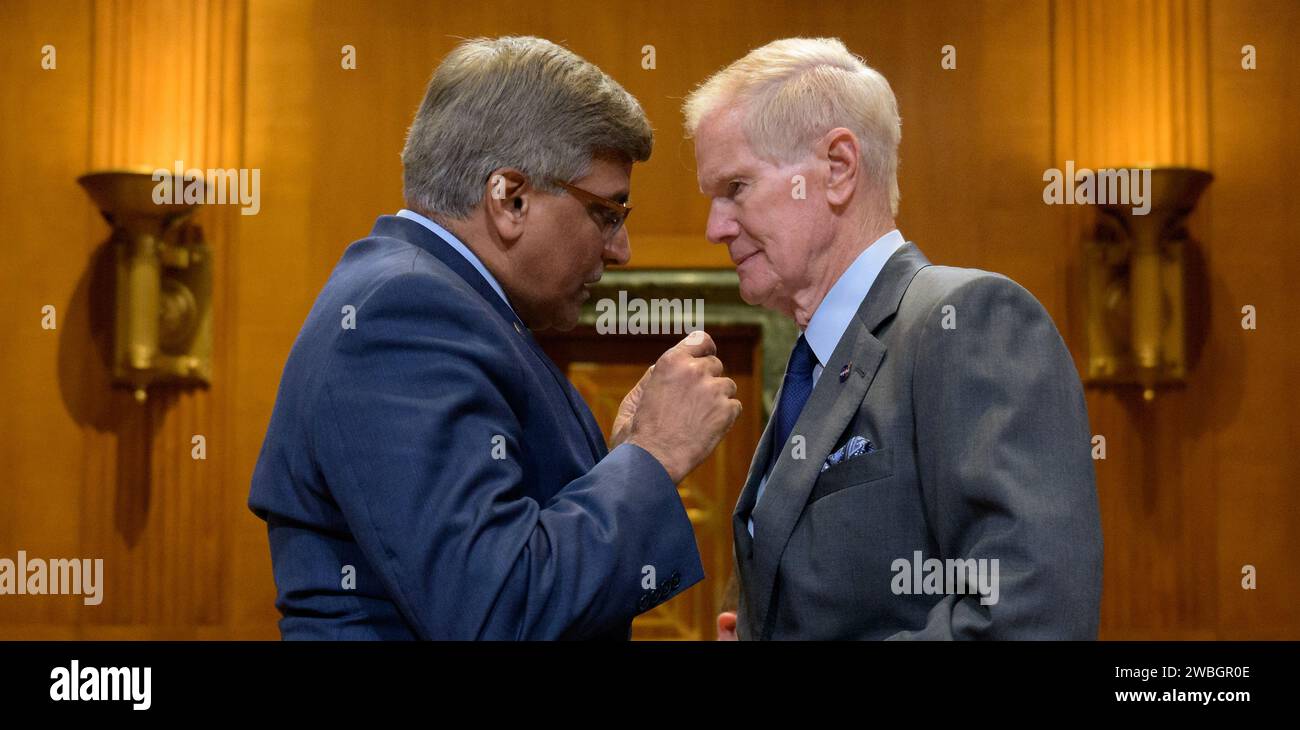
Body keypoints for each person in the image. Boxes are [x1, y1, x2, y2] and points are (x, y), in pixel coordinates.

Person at [249, 36, 741, 640]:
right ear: (510, 198)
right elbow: (494, 608)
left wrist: (619, 462)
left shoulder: (448, 304)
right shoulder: (403, 317)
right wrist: (655, 458)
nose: (620, 250)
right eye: (606, 213)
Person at [685, 37, 1102, 640]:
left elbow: (1029, 615)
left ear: (837, 168)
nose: (714, 227)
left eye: (736, 188)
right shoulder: (819, 364)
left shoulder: (970, 321)